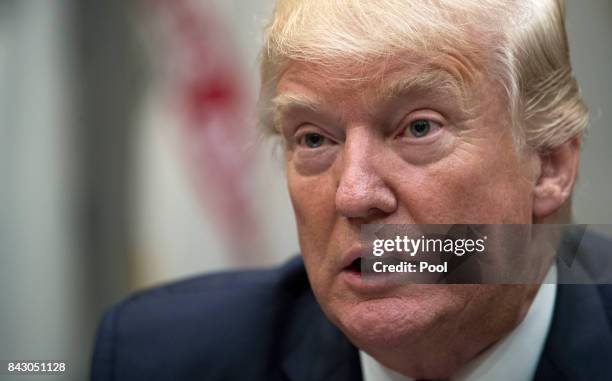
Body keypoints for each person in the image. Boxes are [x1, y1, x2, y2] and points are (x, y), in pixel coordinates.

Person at [91, 1, 612, 380]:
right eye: (315, 138)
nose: (354, 195)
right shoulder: (159, 357)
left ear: (549, 165)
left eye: (419, 127)